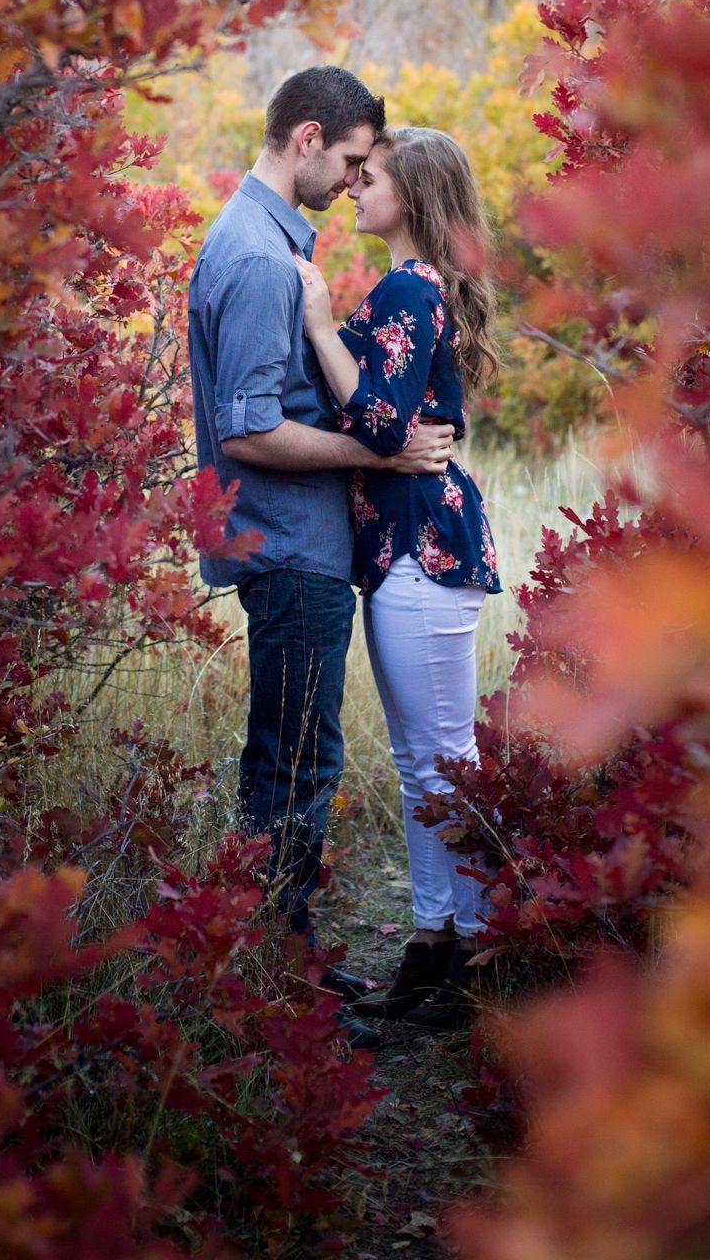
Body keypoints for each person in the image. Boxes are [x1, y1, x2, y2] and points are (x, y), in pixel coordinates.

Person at [187, 68, 455, 1019]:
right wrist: (379, 459)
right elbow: (250, 429)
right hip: (289, 551)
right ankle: (278, 988)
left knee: (291, 758)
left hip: (296, 547)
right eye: (347, 159)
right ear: (306, 138)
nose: (351, 180)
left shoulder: (264, 241)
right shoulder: (260, 258)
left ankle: (284, 963)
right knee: (299, 765)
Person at [294, 126, 501, 1031]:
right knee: (429, 765)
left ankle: (482, 957)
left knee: (442, 765)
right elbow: (374, 405)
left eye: (367, 178)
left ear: (410, 196)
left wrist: (311, 321)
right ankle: (436, 946)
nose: (351, 188)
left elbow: (378, 422)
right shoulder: (407, 290)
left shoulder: (408, 289)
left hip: (424, 546)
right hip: (411, 547)